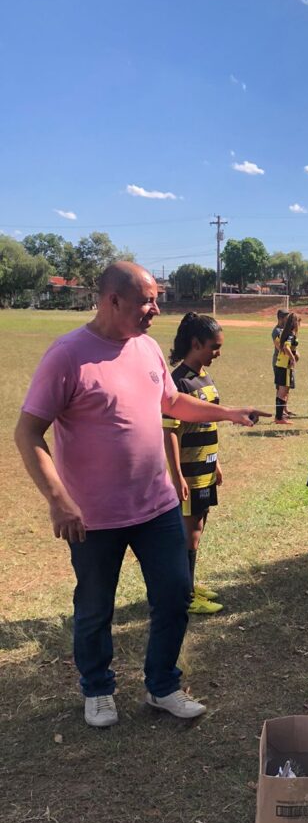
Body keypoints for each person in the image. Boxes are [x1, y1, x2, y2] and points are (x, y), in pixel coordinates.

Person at [14, 263, 262, 728]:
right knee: (95, 609)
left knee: (174, 595)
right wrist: (58, 500)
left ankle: (163, 685)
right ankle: (97, 689)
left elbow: (171, 402)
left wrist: (228, 412)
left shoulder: (147, 347)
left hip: (157, 506)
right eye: (147, 301)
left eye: (157, 300)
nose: (156, 309)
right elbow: (27, 433)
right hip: (94, 517)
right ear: (113, 300)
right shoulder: (67, 355)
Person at [163, 313, 250, 616]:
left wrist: (216, 463)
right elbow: (169, 432)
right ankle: (185, 596)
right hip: (189, 471)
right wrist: (177, 476)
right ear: (196, 343)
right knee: (190, 532)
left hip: (206, 468)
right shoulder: (179, 382)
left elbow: (208, 422)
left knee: (199, 524)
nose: (218, 353)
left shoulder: (204, 377)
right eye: (214, 347)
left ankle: (189, 583)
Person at [274, 312, 300, 425]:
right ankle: (279, 418)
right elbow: (286, 346)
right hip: (285, 366)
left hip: (280, 364)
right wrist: (292, 358)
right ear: (295, 323)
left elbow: (278, 343)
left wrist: (294, 352)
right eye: (299, 322)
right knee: (283, 392)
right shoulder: (291, 334)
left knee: (281, 391)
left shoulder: (283, 332)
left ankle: (279, 416)